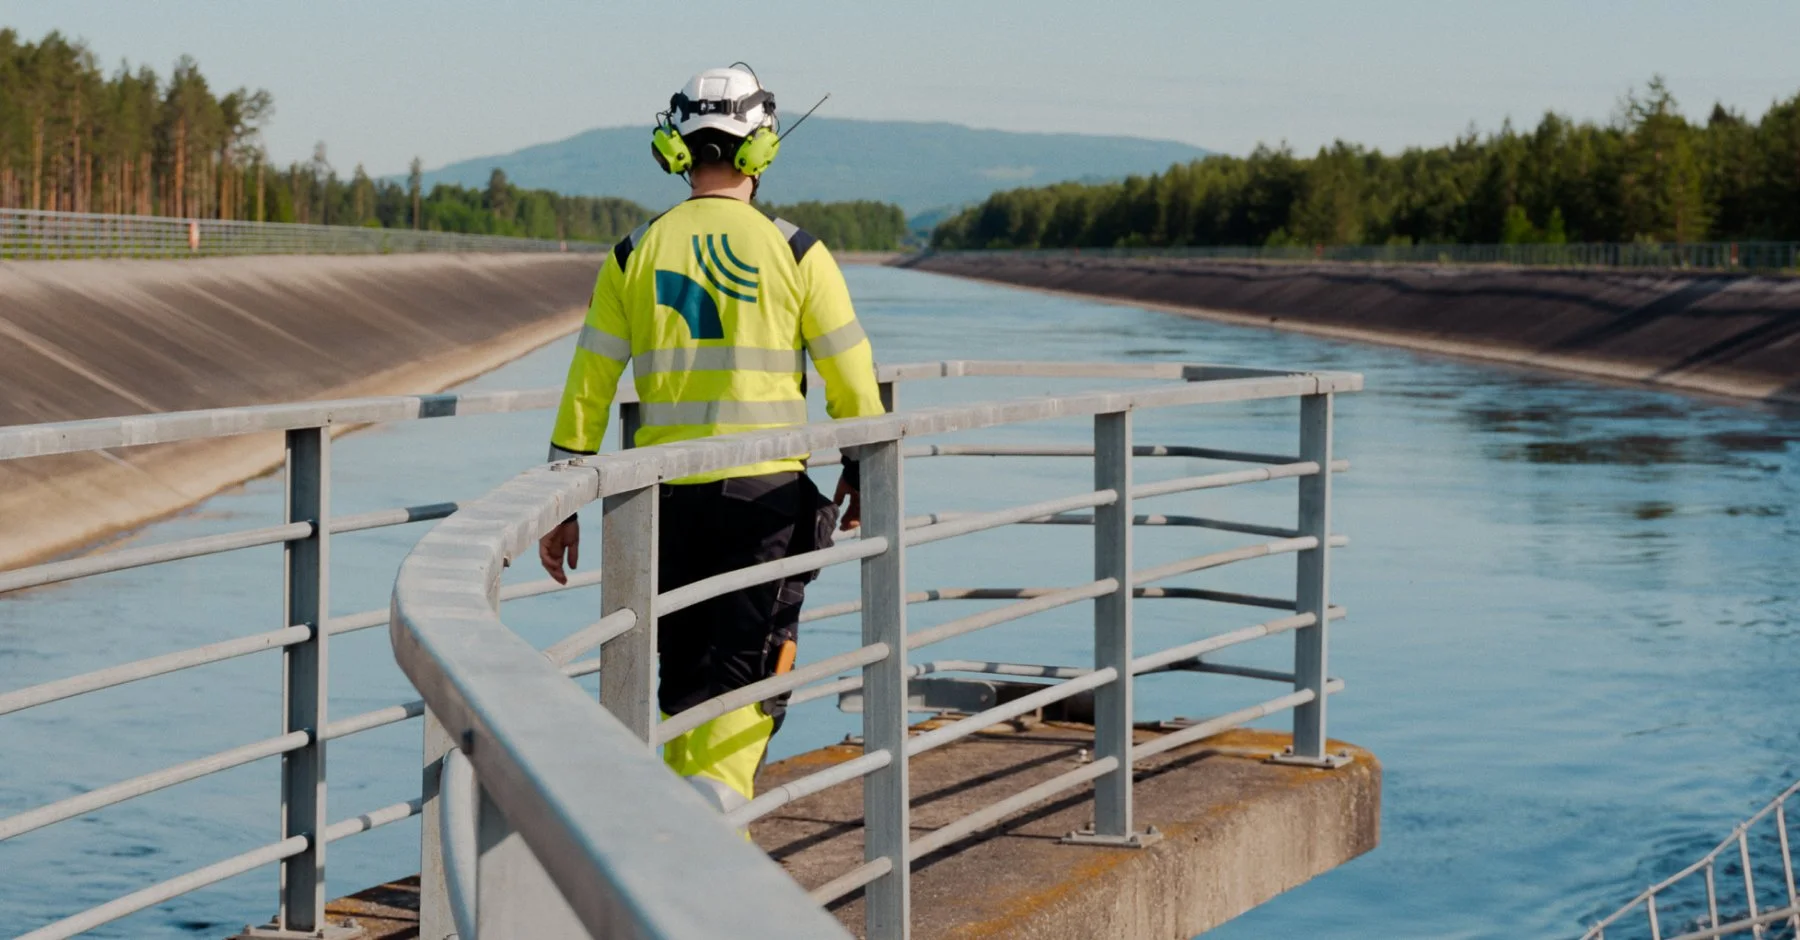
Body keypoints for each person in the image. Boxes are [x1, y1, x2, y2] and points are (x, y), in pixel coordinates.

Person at [537, 65, 884, 814]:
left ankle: (671, 853)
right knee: (750, 682)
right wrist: (861, 467)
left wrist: (561, 499)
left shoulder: (634, 253)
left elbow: (589, 384)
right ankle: (715, 865)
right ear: (761, 151)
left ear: (677, 149)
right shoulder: (797, 252)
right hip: (765, 503)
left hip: (661, 507)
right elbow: (852, 381)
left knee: (685, 684)